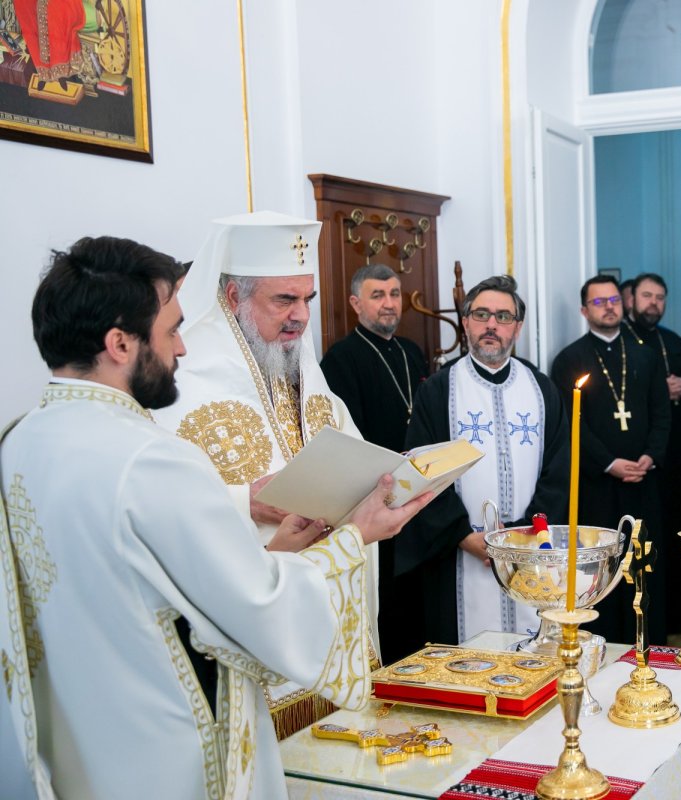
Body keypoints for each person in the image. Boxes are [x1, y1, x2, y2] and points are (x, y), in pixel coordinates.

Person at [0, 235, 432, 799]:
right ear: (120, 343)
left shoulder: (20, 439)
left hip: (79, 738)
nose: (182, 349)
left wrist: (280, 550)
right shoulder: (151, 457)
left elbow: (153, 587)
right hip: (168, 743)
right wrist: (355, 537)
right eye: (172, 330)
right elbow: (256, 611)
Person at [153, 210, 375, 737]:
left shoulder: (302, 366)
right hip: (247, 622)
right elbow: (154, 503)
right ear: (232, 298)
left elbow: (355, 450)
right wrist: (243, 502)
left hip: (326, 597)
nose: (300, 317)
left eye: (307, 300)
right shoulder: (177, 380)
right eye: (283, 300)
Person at [405, 275, 569, 644]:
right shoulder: (437, 390)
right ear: (466, 323)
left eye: (503, 317)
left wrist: (529, 534)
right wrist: (462, 535)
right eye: (481, 315)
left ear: (518, 327)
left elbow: (560, 470)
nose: (491, 324)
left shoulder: (542, 389)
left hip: (532, 548)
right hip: (461, 552)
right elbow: (422, 470)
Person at [551, 274, 671, 645]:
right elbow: (571, 424)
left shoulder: (645, 356)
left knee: (644, 563)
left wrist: (650, 456)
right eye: (599, 302)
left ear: (625, 303)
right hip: (597, 485)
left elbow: (662, 412)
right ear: (585, 310)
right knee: (603, 566)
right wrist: (608, 463)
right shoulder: (569, 359)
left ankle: (648, 639)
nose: (608, 308)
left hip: (643, 480)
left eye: (614, 300)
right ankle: (603, 640)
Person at [320, 263, 430, 663]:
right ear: (355, 303)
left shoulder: (411, 352)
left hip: (416, 491)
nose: (389, 304)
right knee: (388, 599)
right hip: (374, 497)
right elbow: (347, 437)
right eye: (377, 295)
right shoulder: (340, 360)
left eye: (395, 294)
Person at [627, 272, 681, 632]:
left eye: (660, 297)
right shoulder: (623, 342)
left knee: (677, 536)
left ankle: (680, 615)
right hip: (643, 458)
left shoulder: (674, 341)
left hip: (677, 457)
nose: (654, 303)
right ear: (631, 299)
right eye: (647, 296)